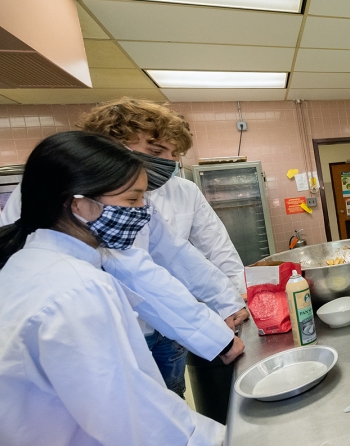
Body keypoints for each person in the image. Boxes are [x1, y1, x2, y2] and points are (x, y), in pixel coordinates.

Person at [0, 98, 248, 397]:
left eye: (173, 155)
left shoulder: (139, 204)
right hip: (94, 338)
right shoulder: (69, 265)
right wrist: (214, 335)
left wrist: (229, 300)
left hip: (158, 330)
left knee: (167, 398)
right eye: (156, 152)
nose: (167, 163)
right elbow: (136, 272)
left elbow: (177, 254)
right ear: (107, 146)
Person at [0, 132, 224, 445]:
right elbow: (133, 417)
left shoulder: (26, 265)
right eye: (132, 200)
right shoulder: (78, 289)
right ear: (79, 205)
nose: (142, 210)